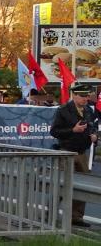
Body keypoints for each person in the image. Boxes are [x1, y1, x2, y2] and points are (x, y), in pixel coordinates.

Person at [50, 83, 98, 228]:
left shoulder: (89, 110)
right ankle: (50, 213)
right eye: (83, 96)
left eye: (87, 96)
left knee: (82, 186)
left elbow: (92, 125)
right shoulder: (64, 110)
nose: (86, 99)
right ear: (74, 95)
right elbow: (54, 131)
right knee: (62, 185)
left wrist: (94, 134)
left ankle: (76, 217)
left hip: (82, 152)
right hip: (66, 151)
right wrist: (73, 130)